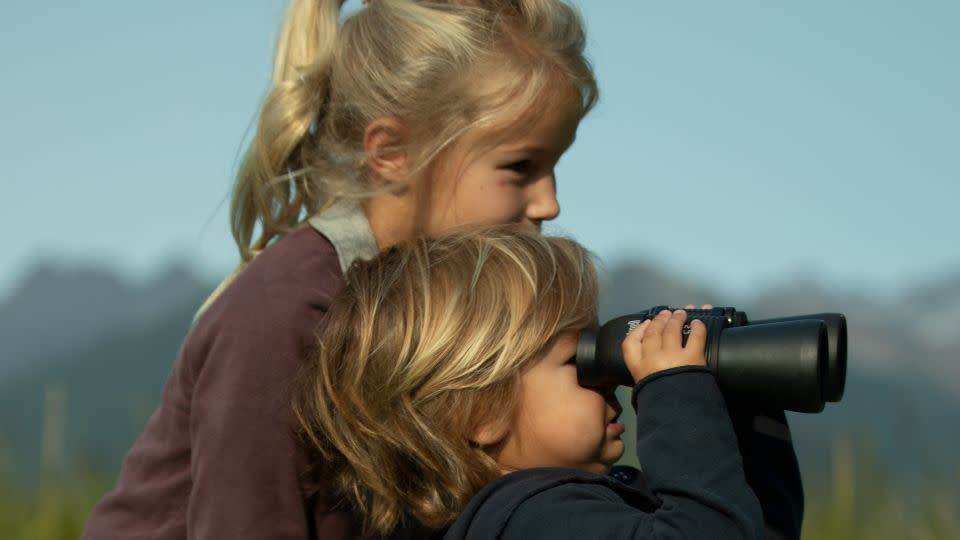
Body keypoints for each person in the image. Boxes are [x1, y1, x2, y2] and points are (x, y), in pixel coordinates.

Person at [82, 0, 596, 538]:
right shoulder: (284, 318)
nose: (550, 203)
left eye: (554, 166)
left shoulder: (434, 318)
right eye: (521, 166)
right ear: (392, 151)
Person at [293, 225, 805, 539]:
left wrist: (733, 404)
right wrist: (678, 396)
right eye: (576, 360)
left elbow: (753, 528)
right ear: (480, 414)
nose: (607, 380)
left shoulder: (567, 506)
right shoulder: (531, 521)